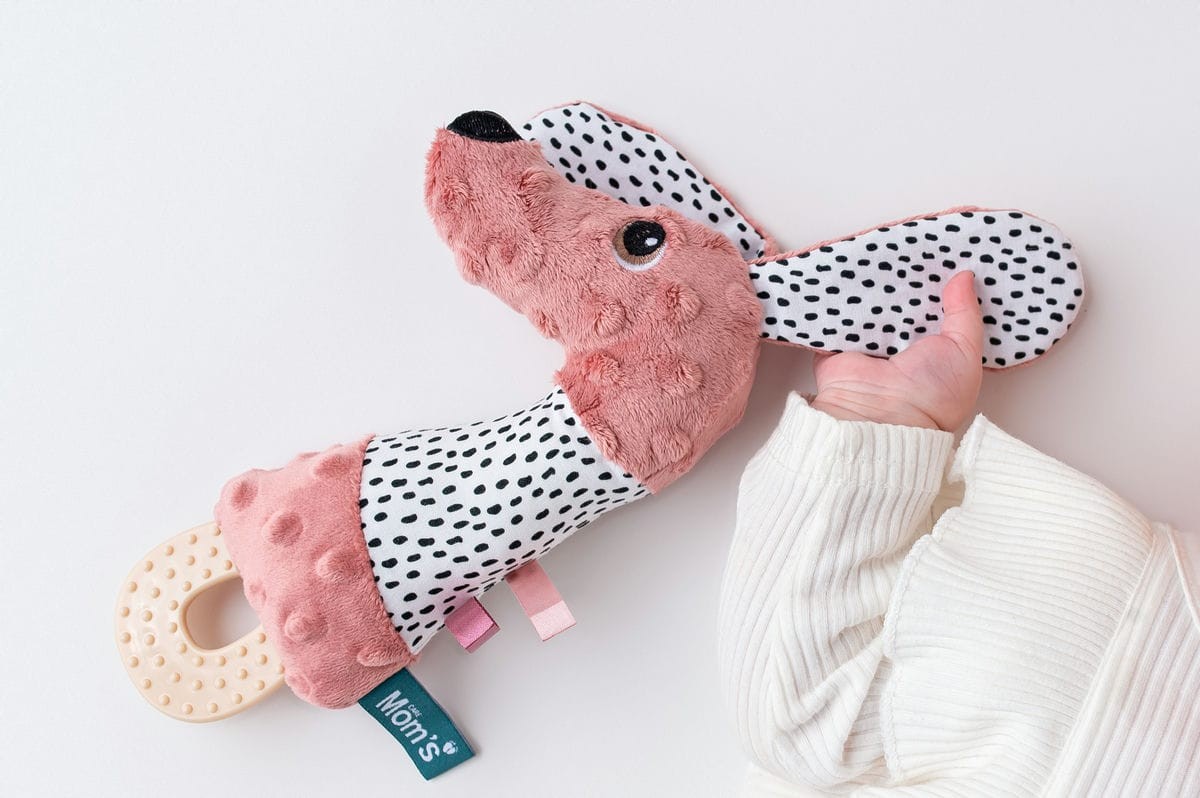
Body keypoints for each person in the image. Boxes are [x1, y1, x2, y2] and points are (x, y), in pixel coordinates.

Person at [717, 271, 1200, 797]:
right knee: (804, 724)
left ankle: (874, 418)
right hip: (1073, 736)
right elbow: (796, 723)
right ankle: (872, 415)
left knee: (809, 724)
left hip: (1135, 617)